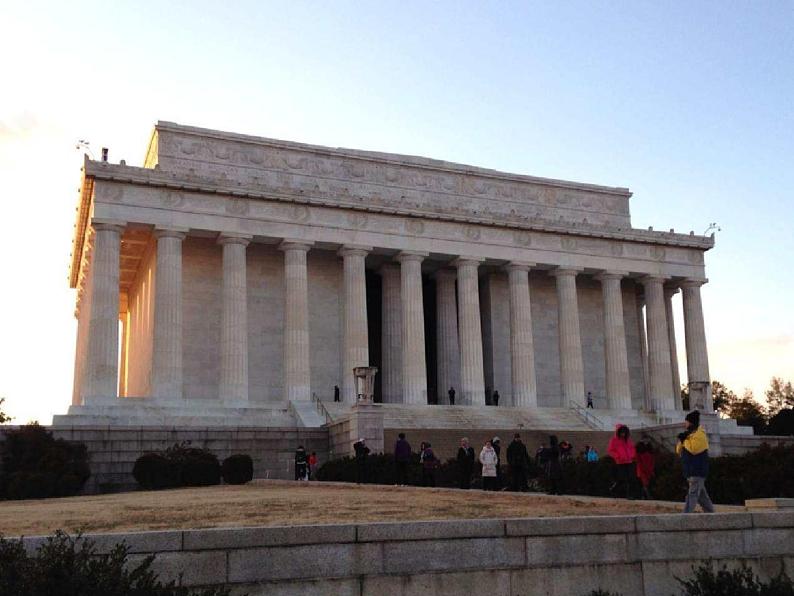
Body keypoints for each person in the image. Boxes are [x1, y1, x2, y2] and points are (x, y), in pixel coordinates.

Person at [676, 410, 715, 513]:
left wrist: (684, 441)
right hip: (690, 470)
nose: (685, 424)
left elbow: (694, 450)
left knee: (692, 494)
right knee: (702, 497)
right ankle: (711, 514)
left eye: (687, 422)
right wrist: (682, 440)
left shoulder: (700, 435)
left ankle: (686, 515)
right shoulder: (688, 435)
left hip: (697, 470)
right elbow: (678, 450)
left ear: (691, 422)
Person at [607, 424, 636, 499]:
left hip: (629, 461)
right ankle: (613, 489)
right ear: (618, 432)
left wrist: (632, 455)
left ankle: (630, 495)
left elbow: (632, 448)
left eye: (624, 432)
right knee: (622, 479)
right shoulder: (613, 440)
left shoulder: (628, 440)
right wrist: (618, 456)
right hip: (620, 462)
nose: (623, 434)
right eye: (621, 432)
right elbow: (610, 450)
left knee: (631, 478)